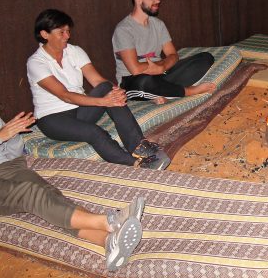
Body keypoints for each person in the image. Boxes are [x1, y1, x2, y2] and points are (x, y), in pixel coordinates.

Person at [0, 63, 146, 271]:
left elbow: (10, 151)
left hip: (8, 166)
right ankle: (108, 221)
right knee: (29, 193)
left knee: (47, 196)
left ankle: (107, 242)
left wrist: (14, 136)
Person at [26, 9, 166, 169]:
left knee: (107, 87)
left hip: (79, 110)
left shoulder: (74, 51)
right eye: (61, 32)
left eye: (68, 31)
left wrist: (116, 92)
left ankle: (138, 146)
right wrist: (103, 101)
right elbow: (65, 95)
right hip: (53, 119)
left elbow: (97, 80)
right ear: (45, 34)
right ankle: (136, 164)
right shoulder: (36, 62)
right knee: (93, 131)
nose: (67, 36)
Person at [113, 0, 216, 102]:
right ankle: (189, 91)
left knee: (205, 58)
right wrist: (158, 67)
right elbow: (135, 69)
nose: (158, 0)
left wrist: (162, 67)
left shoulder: (158, 24)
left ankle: (162, 92)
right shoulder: (124, 29)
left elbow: (173, 55)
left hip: (161, 74)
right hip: (133, 80)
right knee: (145, 82)